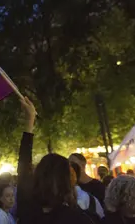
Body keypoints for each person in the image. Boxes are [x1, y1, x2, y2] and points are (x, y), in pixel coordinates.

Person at [17, 96, 93, 224]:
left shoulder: (27, 212)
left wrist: (29, 122)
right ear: (67, 182)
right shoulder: (78, 218)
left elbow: (24, 167)